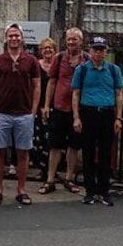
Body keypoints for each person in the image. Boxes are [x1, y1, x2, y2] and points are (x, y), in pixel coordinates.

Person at [0, 23, 41, 206]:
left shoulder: (31, 61)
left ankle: (21, 189)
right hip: (2, 112)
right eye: (11, 36)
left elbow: (37, 87)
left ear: (22, 38)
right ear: (6, 38)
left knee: (23, 152)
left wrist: (33, 111)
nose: (14, 39)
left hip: (24, 113)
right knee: (0, 151)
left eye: (17, 35)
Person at [72, 36, 123, 206]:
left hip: (107, 113)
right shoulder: (82, 69)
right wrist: (76, 117)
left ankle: (104, 190)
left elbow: (118, 94)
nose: (98, 53)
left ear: (106, 52)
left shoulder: (113, 69)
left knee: (105, 153)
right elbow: (76, 93)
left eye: (101, 50)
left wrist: (118, 117)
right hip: (88, 112)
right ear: (90, 51)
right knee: (87, 153)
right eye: (95, 49)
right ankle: (89, 191)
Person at [39, 27, 88, 195]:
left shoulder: (86, 60)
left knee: (74, 146)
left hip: (79, 110)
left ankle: (69, 178)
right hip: (59, 107)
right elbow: (52, 82)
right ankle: (50, 179)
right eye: (69, 39)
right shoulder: (59, 58)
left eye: (75, 39)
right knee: (55, 145)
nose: (71, 42)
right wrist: (46, 105)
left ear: (81, 41)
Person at [31, 37, 57, 176]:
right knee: (39, 138)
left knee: (52, 138)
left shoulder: (57, 65)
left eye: (50, 48)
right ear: (40, 50)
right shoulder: (36, 64)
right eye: (45, 48)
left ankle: (52, 170)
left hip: (55, 105)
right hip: (39, 105)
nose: (48, 50)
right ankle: (41, 169)